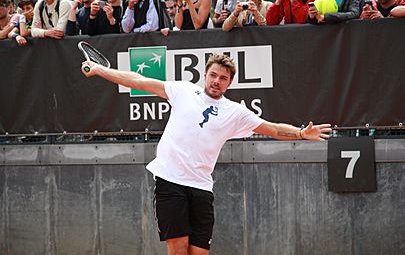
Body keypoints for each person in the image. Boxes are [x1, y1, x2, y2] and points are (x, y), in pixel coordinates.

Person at [80, 53, 332, 255]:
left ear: (229, 83)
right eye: (213, 75)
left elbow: (273, 129)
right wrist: (100, 70)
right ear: (205, 75)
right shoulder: (183, 91)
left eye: (223, 78)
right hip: (170, 182)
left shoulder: (235, 112)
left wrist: (300, 134)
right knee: (178, 251)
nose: (216, 81)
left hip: (202, 188)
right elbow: (136, 80)